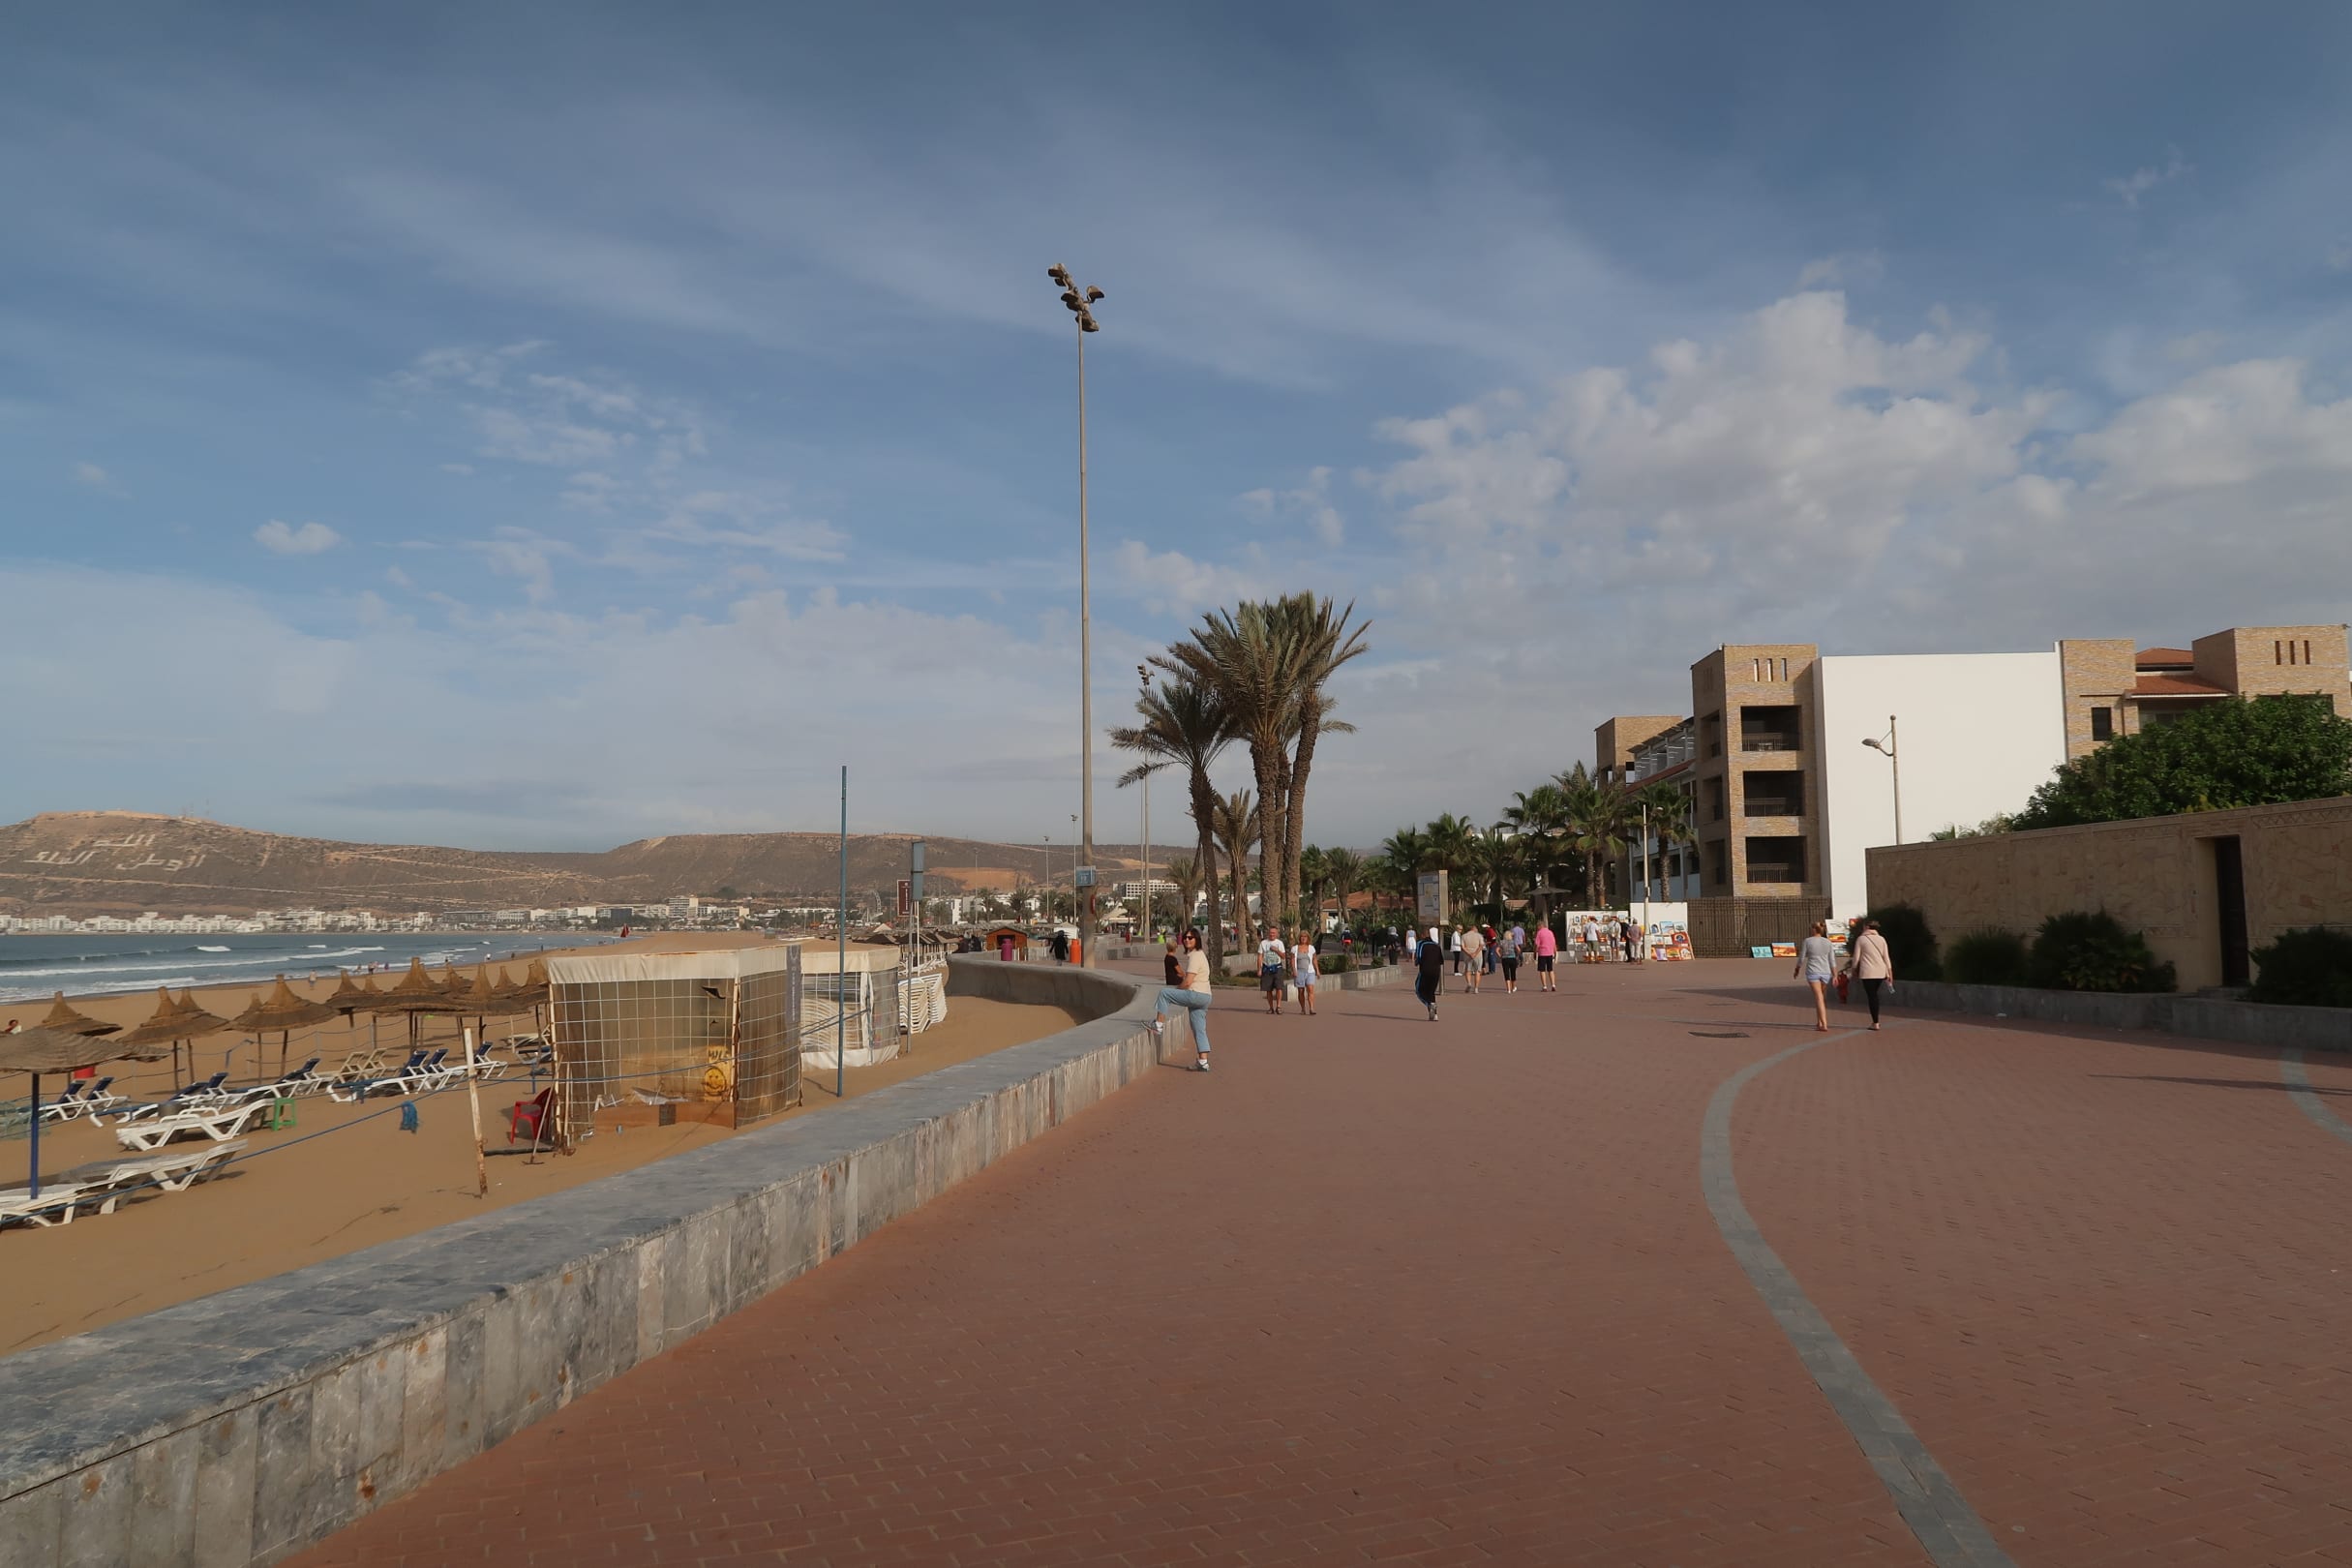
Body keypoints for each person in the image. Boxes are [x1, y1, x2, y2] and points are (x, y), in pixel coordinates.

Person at [1154, 928, 1216, 1071]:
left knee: (1164, 993)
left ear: (1197, 940)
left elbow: (1187, 982)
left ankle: (1158, 1025)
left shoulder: (1195, 956)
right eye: (1185, 938)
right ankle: (1203, 1061)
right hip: (1206, 996)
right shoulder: (1200, 955)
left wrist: (1177, 990)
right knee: (1199, 1028)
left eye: (1190, 938)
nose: (1187, 940)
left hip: (1196, 994)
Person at [1846, 919, 1895, 1031]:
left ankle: (1875, 1022)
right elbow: (1886, 957)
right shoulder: (1882, 939)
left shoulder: (1861, 939)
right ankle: (1875, 1021)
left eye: (1864, 926)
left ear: (1867, 927)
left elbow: (1856, 958)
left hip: (1867, 972)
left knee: (1872, 996)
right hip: (1881, 972)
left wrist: (1853, 970)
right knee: (1874, 996)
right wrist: (1890, 972)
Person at [1794, 920, 1837, 1031]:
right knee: (1821, 998)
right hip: (1826, 972)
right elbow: (1832, 960)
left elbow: (1802, 958)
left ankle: (1824, 1024)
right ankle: (1819, 1022)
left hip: (1813, 971)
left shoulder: (1808, 941)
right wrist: (1835, 975)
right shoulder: (1828, 942)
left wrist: (1797, 969)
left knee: (1818, 997)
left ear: (1814, 929)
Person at [1414, 924, 1446, 1021]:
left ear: (1422, 935)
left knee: (1419, 990)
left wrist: (1417, 962)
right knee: (1431, 992)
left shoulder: (1420, 943)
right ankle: (1434, 1014)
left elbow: (1419, 957)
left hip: (1425, 970)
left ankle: (1429, 1004)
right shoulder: (1437, 945)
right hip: (1436, 971)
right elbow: (1441, 961)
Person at [1257, 925, 1288, 1016]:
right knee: (1268, 989)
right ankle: (1271, 1008)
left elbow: (1283, 956)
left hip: (1277, 968)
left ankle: (1278, 1007)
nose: (1272, 934)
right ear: (1268, 933)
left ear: (1277, 934)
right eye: (1270, 933)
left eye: (1274, 933)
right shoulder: (1263, 943)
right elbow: (1260, 957)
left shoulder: (1279, 943)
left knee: (1279, 988)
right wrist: (1259, 969)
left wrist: (1276, 950)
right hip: (1266, 968)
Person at [1291, 932, 1318, 1015]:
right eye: (1302, 936)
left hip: (1310, 971)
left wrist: (1317, 970)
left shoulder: (1311, 948)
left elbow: (1314, 959)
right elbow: (1292, 960)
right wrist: (1294, 970)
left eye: (1305, 937)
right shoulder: (1295, 948)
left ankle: (1311, 1008)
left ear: (1308, 938)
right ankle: (1303, 1009)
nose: (1303, 938)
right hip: (1299, 972)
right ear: (1299, 938)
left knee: (1310, 989)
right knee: (1301, 991)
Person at [1459, 921, 1486, 993]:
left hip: (1467, 955)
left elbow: (1462, 947)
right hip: (1478, 955)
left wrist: (1469, 953)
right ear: (1474, 929)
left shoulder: (1464, 936)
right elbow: (1481, 945)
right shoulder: (1479, 936)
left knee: (1468, 970)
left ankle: (1469, 983)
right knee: (1478, 971)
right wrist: (1475, 953)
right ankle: (1476, 988)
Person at [1533, 920, 1558, 991]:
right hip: (1550, 953)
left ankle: (1544, 986)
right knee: (1550, 970)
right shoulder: (1550, 932)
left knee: (1542, 970)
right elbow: (1554, 943)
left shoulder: (1539, 933)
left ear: (1540, 926)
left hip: (1542, 953)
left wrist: (1535, 953)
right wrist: (1555, 953)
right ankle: (1553, 985)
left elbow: (1536, 944)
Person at [1498, 926, 1523, 994]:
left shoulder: (1502, 942)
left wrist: (1500, 956)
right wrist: (1517, 955)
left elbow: (1497, 950)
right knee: (1513, 973)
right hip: (1512, 958)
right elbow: (1519, 950)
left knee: (1506, 974)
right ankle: (1513, 987)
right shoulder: (1513, 942)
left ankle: (1508, 989)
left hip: (1505, 959)